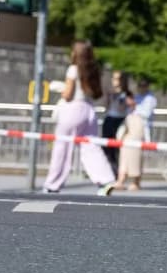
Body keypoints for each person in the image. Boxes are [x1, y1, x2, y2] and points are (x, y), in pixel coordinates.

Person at [43, 41, 116, 195]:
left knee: (62, 147)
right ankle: (105, 180)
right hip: (89, 110)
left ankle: (53, 184)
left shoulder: (73, 69)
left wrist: (60, 88)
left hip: (73, 109)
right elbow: (96, 94)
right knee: (91, 146)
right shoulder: (93, 71)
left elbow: (68, 95)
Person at [116, 77, 156, 191]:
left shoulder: (150, 98)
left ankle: (136, 181)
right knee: (124, 153)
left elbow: (146, 114)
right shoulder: (136, 97)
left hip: (140, 127)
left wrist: (135, 106)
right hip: (129, 125)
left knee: (136, 156)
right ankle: (121, 179)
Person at [100, 71, 131, 173]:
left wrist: (120, 96)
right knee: (106, 145)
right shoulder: (111, 93)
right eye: (113, 78)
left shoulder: (126, 94)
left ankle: (117, 170)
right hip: (110, 118)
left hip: (120, 120)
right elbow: (106, 106)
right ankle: (107, 168)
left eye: (117, 79)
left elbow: (124, 108)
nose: (115, 81)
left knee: (117, 147)